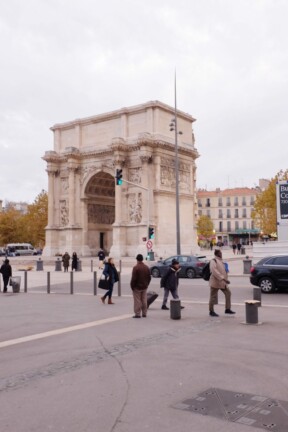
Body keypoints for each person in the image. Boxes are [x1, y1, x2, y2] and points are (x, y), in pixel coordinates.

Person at [209, 249, 235, 317]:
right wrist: (223, 278)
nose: (221, 254)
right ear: (217, 254)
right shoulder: (213, 261)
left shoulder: (221, 261)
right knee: (213, 297)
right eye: (220, 253)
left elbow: (223, 270)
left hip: (223, 282)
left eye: (221, 253)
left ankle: (227, 309)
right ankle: (211, 311)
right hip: (215, 282)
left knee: (228, 293)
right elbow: (214, 271)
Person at [130, 254, 151, 318]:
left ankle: (137, 314)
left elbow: (133, 279)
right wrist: (147, 284)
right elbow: (149, 277)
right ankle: (144, 313)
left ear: (137, 259)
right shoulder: (146, 267)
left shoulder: (136, 267)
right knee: (144, 300)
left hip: (137, 287)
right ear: (142, 259)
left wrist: (132, 286)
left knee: (137, 301)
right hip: (144, 286)